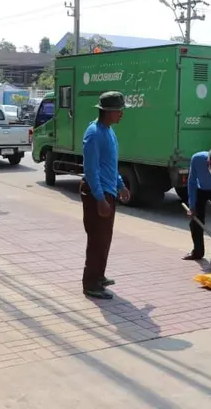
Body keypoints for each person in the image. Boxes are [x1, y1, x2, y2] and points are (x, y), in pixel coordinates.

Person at [80, 91, 131, 300]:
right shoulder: (94, 133)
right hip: (96, 194)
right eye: (119, 110)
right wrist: (100, 198)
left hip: (108, 191)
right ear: (109, 112)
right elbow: (91, 170)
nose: (121, 114)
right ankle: (91, 283)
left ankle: (98, 276)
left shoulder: (108, 131)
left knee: (104, 239)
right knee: (96, 240)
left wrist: (120, 185)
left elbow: (110, 165)